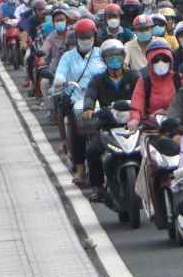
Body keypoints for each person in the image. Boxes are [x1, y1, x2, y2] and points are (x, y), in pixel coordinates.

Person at [77, 38, 138, 200]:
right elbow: (90, 95)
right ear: (104, 60)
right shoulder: (98, 80)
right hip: (108, 125)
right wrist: (88, 109)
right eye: (110, 58)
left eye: (117, 57)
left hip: (133, 124)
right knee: (92, 151)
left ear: (123, 57)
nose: (114, 61)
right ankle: (98, 187)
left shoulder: (134, 76)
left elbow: (142, 95)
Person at [52, 17, 105, 184]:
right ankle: (80, 168)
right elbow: (60, 73)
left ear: (94, 36)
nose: (85, 40)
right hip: (77, 99)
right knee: (75, 128)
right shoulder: (68, 57)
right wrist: (60, 80)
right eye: (81, 36)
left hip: (99, 99)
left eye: (88, 36)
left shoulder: (101, 53)